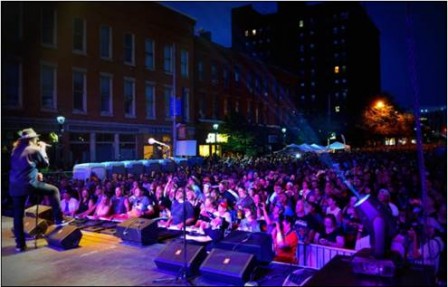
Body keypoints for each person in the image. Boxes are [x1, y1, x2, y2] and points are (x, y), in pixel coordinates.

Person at [8, 128, 69, 252]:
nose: (37, 140)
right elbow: (45, 164)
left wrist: (35, 172)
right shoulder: (34, 149)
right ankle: (59, 220)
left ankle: (20, 245)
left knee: (18, 216)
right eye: (35, 138)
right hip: (28, 184)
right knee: (54, 190)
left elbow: (26, 167)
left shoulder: (15, 151)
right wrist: (43, 149)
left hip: (14, 186)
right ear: (32, 139)